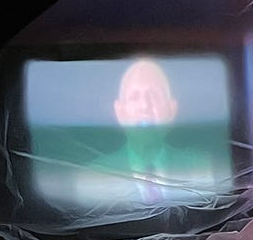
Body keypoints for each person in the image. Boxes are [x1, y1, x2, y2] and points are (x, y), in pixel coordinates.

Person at [74, 57, 218, 207]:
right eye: (134, 97)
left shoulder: (201, 170)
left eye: (154, 95)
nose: (145, 106)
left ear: (171, 110)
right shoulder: (91, 179)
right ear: (120, 112)